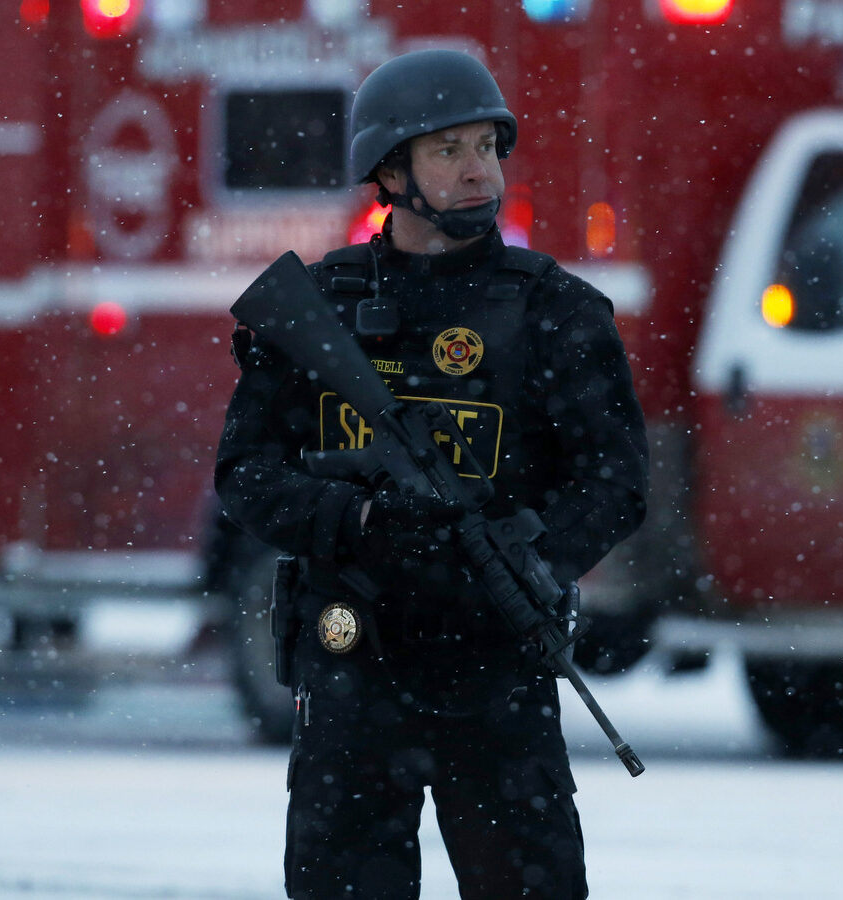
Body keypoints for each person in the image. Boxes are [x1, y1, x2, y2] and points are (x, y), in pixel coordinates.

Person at [214, 48, 648, 900]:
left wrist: (534, 552)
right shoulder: (321, 306)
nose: (477, 170)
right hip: (353, 663)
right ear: (391, 170)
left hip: (497, 668)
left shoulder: (555, 311)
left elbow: (618, 479)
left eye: (487, 146)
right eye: (447, 150)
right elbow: (246, 474)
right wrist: (357, 522)